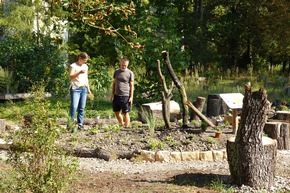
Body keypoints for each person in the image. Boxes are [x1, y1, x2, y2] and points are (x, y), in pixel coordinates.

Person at [68, 52, 91, 131]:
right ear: (80, 58)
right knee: (74, 107)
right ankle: (70, 124)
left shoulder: (85, 66)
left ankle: (80, 124)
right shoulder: (73, 66)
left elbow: (86, 78)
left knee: (82, 107)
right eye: (84, 60)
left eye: (86, 60)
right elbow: (71, 77)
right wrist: (79, 72)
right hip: (75, 88)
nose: (85, 62)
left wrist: (88, 89)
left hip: (83, 88)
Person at [110, 57, 134, 127]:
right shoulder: (116, 72)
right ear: (120, 63)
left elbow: (132, 86)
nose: (123, 66)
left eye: (125, 65)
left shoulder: (130, 73)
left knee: (125, 112)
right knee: (116, 112)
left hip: (125, 95)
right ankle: (121, 123)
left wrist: (131, 97)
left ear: (127, 65)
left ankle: (127, 127)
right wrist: (112, 94)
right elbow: (114, 83)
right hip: (116, 95)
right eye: (122, 65)